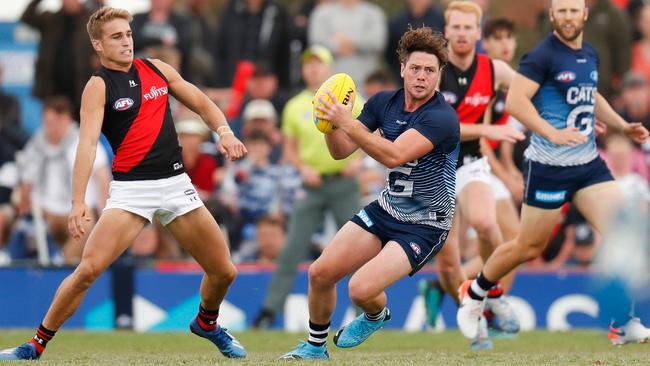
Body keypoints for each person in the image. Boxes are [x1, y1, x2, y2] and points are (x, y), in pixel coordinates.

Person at [0, 7, 248, 360]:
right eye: (116, 37)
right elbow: (86, 145)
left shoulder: (156, 69)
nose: (126, 42)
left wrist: (223, 131)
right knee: (87, 271)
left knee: (224, 271)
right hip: (133, 191)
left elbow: (201, 100)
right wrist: (77, 202)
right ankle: (35, 344)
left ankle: (206, 322)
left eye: (128, 34)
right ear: (98, 45)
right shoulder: (98, 86)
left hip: (176, 183)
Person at [457, 0, 650, 343]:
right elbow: (517, 101)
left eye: (573, 10)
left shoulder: (589, 53)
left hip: (587, 165)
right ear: (552, 16)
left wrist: (621, 125)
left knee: (624, 232)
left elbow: (592, 96)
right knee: (526, 247)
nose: (568, 17)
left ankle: (623, 324)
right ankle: (474, 296)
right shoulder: (540, 56)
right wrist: (551, 132)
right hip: (549, 167)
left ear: (584, 14)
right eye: (561, 11)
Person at [280, 26, 460, 360]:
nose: (422, 76)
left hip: (425, 223)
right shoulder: (382, 103)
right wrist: (328, 125)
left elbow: (392, 155)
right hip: (387, 209)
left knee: (361, 289)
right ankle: (315, 347)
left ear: (439, 75)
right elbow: (340, 151)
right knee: (320, 273)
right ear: (403, 68)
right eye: (416, 68)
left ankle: (376, 315)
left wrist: (344, 120)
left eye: (430, 71)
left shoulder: (442, 117)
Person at [425, 1, 523, 349]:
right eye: (456, 27)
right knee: (449, 262)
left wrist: (567, 115)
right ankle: (475, 321)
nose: (462, 33)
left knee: (485, 223)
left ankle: (492, 291)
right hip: (433, 169)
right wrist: (489, 132)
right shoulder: (431, 69)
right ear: (446, 32)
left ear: (478, 33)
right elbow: (439, 127)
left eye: (469, 27)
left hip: (470, 162)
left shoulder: (494, 69)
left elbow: (532, 89)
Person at [251, 45, 363, 329]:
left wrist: (358, 160)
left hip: (344, 183)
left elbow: (369, 133)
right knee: (291, 248)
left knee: (361, 247)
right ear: (303, 70)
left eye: (319, 64)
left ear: (329, 69)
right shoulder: (294, 105)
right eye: (308, 65)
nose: (313, 69)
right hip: (311, 184)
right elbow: (289, 149)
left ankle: (369, 308)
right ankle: (268, 311)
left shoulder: (353, 100)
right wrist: (303, 168)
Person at [16, 95, 110, 264]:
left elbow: (103, 176)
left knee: (85, 226)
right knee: (19, 222)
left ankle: (62, 262)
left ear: (65, 119)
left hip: (77, 209)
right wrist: (24, 201)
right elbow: (27, 177)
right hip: (46, 209)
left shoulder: (83, 141)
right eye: (45, 122)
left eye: (51, 123)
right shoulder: (38, 142)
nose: (48, 128)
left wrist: (105, 212)